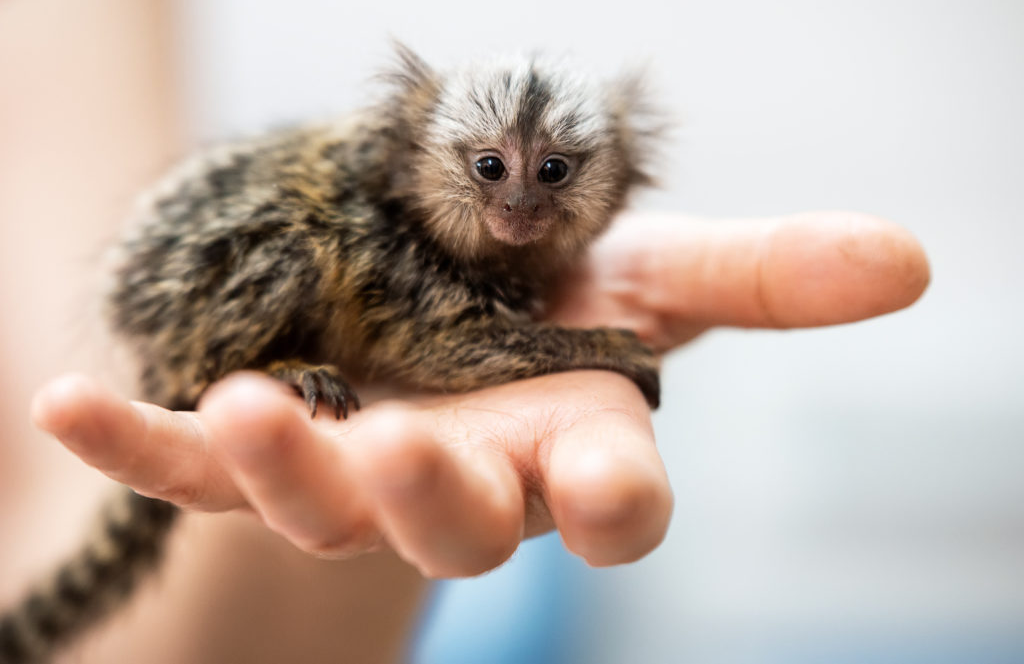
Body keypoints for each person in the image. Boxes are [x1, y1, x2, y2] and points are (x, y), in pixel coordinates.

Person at [28, 211, 929, 662]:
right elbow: (445, 344)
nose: (523, 206)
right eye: (491, 173)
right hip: (210, 309)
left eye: (557, 175)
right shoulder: (409, 240)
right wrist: (580, 345)